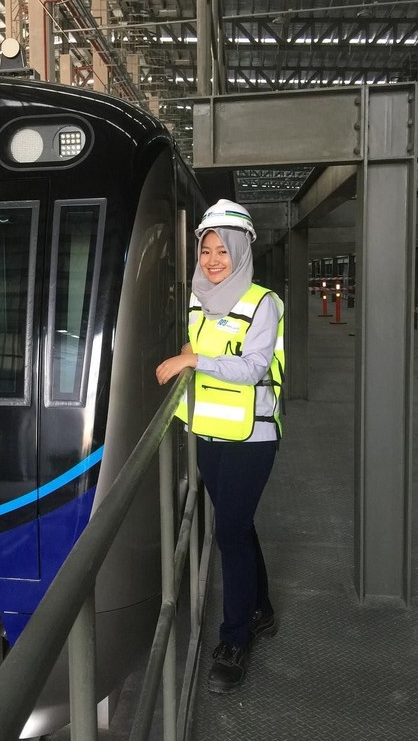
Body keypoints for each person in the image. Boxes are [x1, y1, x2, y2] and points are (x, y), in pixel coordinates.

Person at [155, 199, 284, 694]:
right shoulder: (198, 299)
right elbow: (196, 346)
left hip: (252, 435)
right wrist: (191, 353)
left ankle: (234, 640)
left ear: (241, 250)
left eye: (222, 251)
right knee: (237, 525)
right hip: (208, 432)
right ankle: (261, 610)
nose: (212, 260)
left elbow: (252, 368)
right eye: (206, 250)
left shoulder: (262, 303)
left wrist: (194, 361)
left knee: (229, 531)